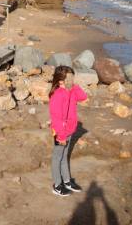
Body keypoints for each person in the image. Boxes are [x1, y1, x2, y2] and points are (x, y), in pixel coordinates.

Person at [48, 66, 87, 196]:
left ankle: (67, 181)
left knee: (65, 156)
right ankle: (57, 185)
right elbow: (56, 119)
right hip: (60, 132)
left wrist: (74, 86)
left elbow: (83, 96)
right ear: (60, 81)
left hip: (70, 130)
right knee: (57, 157)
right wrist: (61, 135)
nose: (71, 80)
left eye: (72, 77)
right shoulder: (57, 95)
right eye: (68, 78)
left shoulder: (72, 91)